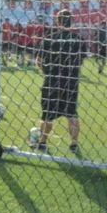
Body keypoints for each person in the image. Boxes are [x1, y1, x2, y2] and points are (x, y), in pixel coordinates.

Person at [35, 9, 86, 154]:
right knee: (71, 113)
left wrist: (47, 71)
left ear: (58, 21)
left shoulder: (50, 39)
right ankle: (74, 143)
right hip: (70, 81)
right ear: (72, 21)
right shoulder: (78, 40)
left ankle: (43, 142)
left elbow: (38, 61)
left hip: (52, 80)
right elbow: (80, 61)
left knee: (47, 114)